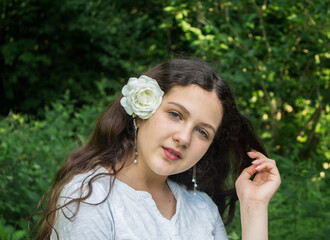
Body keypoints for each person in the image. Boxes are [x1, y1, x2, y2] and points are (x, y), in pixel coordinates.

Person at [34, 59, 281, 240]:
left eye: (202, 132)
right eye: (175, 114)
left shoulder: (202, 209)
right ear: (142, 111)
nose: (184, 138)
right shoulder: (90, 197)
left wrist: (254, 207)